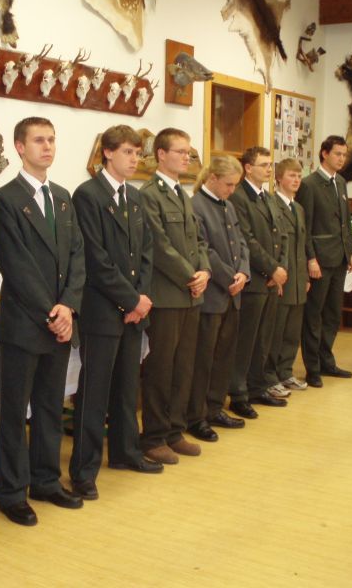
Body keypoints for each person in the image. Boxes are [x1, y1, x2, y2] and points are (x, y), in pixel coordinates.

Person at [0, 117, 86, 525]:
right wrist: (52, 311)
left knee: (49, 406)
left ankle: (46, 480)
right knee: (15, 412)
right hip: (25, 324)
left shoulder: (62, 197)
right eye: (38, 140)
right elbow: (17, 266)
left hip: (60, 320)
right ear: (19, 147)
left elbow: (78, 257)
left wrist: (69, 307)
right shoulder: (6, 199)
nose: (47, 147)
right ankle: (11, 491)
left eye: (51, 140)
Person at [68, 125, 162, 501]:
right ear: (107, 153)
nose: (134, 159)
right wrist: (130, 300)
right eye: (127, 152)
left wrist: (141, 299)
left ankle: (126, 452)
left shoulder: (134, 197)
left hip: (132, 311)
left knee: (126, 387)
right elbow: (95, 258)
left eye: (137, 153)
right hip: (102, 310)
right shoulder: (88, 195)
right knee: (94, 393)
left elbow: (146, 252)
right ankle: (84, 470)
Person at [139, 128, 211, 464]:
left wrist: (205, 271)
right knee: (161, 369)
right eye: (180, 152)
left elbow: (199, 240)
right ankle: (154, 437)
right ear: (161, 154)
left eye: (189, 152)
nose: (187, 157)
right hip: (167, 296)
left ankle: (174, 431)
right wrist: (189, 276)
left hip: (191, 296)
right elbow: (159, 246)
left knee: (184, 367)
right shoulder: (149, 195)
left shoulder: (183, 193)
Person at [187, 155, 251, 442]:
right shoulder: (196, 205)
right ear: (212, 178)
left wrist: (244, 273)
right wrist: (229, 278)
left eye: (235, 185)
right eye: (228, 184)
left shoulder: (229, 205)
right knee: (203, 359)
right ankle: (196, 415)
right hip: (212, 295)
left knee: (224, 356)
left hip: (233, 293)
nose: (232, 190)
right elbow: (204, 250)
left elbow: (242, 243)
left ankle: (214, 408)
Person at [228, 146, 289, 420]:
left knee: (263, 339)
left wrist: (281, 268)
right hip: (253, 280)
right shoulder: (239, 197)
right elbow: (247, 240)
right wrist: (272, 268)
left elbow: (282, 234)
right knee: (246, 341)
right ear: (248, 168)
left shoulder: (268, 197)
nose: (269, 169)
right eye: (264, 165)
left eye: (270, 164)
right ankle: (238, 394)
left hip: (271, 280)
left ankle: (257, 387)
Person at [295, 135, 352, 387]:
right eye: (337, 154)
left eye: (344, 155)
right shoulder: (309, 184)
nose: (341, 159)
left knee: (332, 314)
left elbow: (345, 220)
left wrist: (349, 251)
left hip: (339, 258)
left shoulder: (340, 182)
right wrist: (311, 258)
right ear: (324, 153)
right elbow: (305, 226)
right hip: (319, 259)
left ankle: (326, 360)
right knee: (314, 315)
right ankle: (313, 368)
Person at [263, 158, 311, 397]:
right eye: (291, 175)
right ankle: (270, 376)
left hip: (298, 279)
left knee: (292, 331)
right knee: (276, 331)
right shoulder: (272, 205)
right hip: (282, 279)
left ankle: (285, 371)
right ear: (279, 178)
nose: (296, 180)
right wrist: (278, 276)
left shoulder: (298, 208)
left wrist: (305, 277)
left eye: (299, 176)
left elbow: (301, 245)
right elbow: (275, 245)